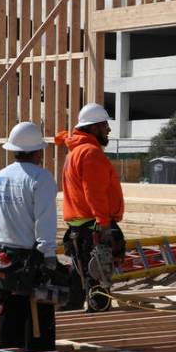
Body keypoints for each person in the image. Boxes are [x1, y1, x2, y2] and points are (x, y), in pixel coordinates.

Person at [0, 122, 65, 351]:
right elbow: (44, 220)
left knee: (11, 304)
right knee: (39, 309)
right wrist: (48, 254)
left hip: (7, 254)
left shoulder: (1, 177)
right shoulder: (41, 178)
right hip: (33, 254)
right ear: (38, 151)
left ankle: (9, 351)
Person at [55, 103, 125, 313]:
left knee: (82, 273)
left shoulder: (76, 151)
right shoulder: (91, 153)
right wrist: (104, 225)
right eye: (105, 125)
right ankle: (97, 320)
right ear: (94, 128)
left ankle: (71, 309)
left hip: (79, 225)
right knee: (98, 275)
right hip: (93, 224)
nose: (108, 130)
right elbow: (93, 192)